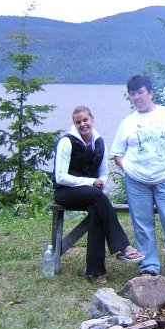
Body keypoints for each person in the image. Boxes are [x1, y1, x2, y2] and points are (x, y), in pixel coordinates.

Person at [110, 75, 165, 280]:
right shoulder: (128, 122)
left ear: (150, 92)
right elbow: (117, 153)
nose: (137, 97)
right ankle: (149, 266)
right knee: (142, 224)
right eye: (133, 94)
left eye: (140, 92)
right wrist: (128, 169)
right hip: (137, 182)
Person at [53, 105, 144, 284]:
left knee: (97, 208)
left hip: (90, 194)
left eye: (85, 120)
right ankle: (124, 246)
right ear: (74, 124)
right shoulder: (66, 141)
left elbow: (103, 172)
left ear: (92, 118)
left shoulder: (99, 141)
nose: (82, 125)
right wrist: (90, 183)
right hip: (65, 192)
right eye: (78, 122)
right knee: (98, 198)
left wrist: (100, 182)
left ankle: (96, 272)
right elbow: (60, 177)